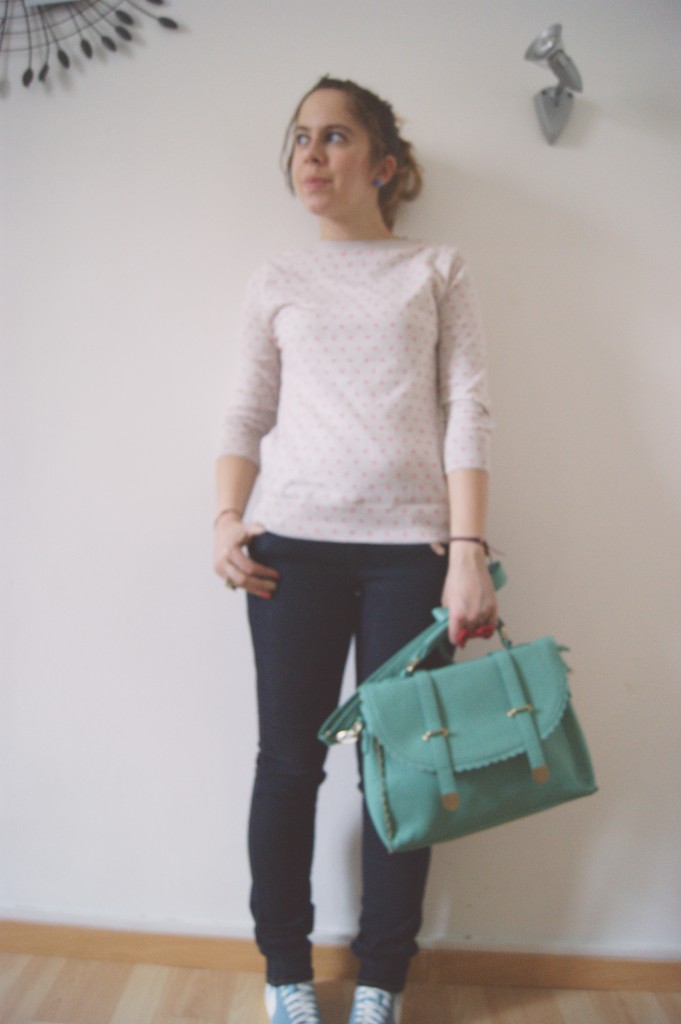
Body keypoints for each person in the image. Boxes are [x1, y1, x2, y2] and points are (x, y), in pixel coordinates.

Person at [213, 76, 497, 1024]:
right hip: (287, 555)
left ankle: (381, 982)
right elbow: (245, 414)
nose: (310, 153)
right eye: (299, 136)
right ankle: (285, 975)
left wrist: (467, 551)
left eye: (333, 136)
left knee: (402, 769)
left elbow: (467, 410)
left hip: (410, 558)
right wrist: (224, 519)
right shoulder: (277, 278)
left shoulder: (436, 268)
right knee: (288, 765)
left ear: (383, 164)